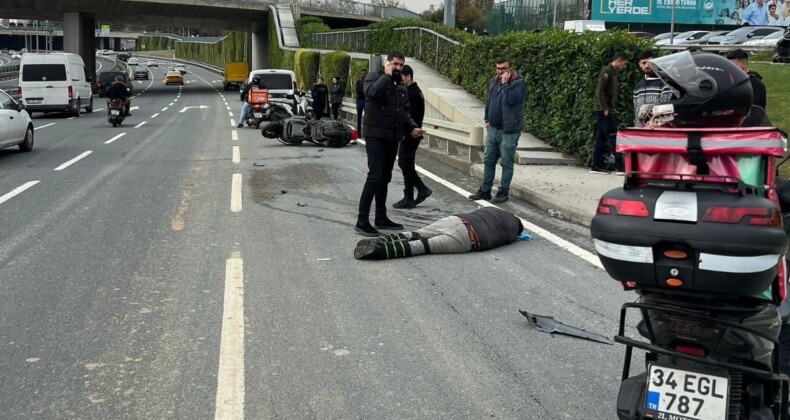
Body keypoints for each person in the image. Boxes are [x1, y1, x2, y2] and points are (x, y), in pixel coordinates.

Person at [355, 51, 424, 237]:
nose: (398, 68)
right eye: (395, 64)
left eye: (401, 65)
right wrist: (386, 76)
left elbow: (404, 112)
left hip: (392, 137)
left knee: (385, 178)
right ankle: (362, 220)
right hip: (375, 135)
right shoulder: (374, 77)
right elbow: (370, 93)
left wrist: (412, 128)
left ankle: (381, 217)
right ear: (388, 63)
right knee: (375, 176)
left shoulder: (400, 85)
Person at [354, 207, 526, 260]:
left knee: (416, 233)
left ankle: (381, 240)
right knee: (420, 246)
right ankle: (379, 252)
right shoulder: (511, 234)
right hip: (467, 238)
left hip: (456, 220)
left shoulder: (496, 211)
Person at [467, 57, 527, 204]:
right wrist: (487, 118)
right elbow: (490, 100)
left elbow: (513, 100)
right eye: (498, 68)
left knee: (506, 162)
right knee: (488, 160)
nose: (500, 72)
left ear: (510, 69)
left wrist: (505, 84)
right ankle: (485, 190)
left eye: (504, 69)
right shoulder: (494, 81)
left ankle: (503, 192)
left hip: (508, 131)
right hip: (493, 128)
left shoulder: (518, 84)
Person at [393, 65, 432, 209]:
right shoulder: (416, 91)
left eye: (402, 77)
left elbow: (409, 115)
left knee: (405, 164)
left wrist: (407, 131)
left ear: (408, 76)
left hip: (411, 134)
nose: (400, 80)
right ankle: (420, 190)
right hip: (412, 133)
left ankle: (411, 195)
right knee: (405, 164)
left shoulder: (412, 93)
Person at [590, 51, 628, 175]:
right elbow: (599, 91)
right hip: (603, 110)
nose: (624, 66)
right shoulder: (606, 72)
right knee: (613, 136)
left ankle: (596, 166)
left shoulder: (612, 72)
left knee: (601, 139)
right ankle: (620, 167)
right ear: (619, 61)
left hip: (604, 109)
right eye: (624, 64)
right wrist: (605, 107)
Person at [633, 49, 673, 127]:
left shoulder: (665, 84)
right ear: (640, 65)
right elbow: (636, 111)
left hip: (658, 131)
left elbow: (665, 111)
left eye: (650, 62)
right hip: (640, 132)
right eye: (644, 63)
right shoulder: (638, 87)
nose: (647, 66)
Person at [355, 69, 367, 138]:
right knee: (359, 117)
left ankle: (365, 132)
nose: (363, 75)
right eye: (362, 73)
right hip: (359, 100)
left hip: (365, 100)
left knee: (366, 117)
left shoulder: (367, 82)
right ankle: (359, 133)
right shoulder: (358, 82)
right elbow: (358, 91)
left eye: (364, 73)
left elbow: (366, 91)